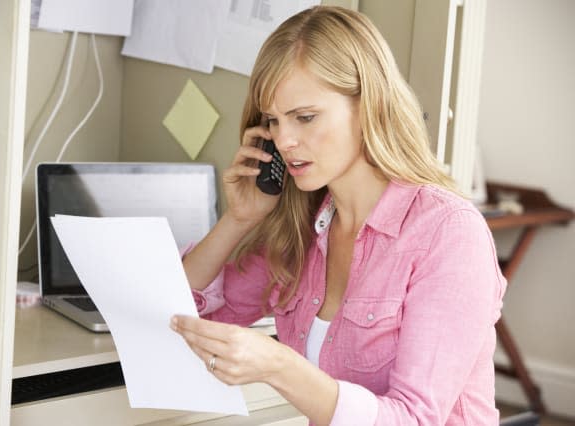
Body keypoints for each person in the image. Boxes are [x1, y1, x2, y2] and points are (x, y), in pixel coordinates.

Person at [169, 5, 506, 425]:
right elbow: (182, 318)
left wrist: (279, 366)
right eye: (273, 121)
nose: (284, 140)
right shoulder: (302, 231)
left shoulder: (448, 234)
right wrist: (238, 220)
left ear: (369, 106)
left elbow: (416, 419)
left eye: (305, 117)